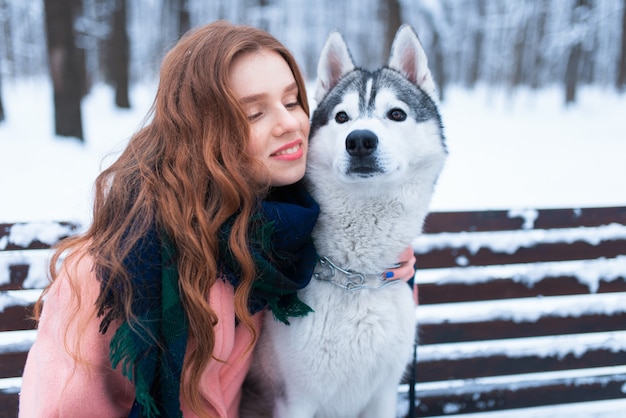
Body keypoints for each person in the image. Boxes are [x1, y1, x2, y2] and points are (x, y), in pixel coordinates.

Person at [19, 20, 416, 418]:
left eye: (293, 101)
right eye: (255, 113)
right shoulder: (112, 269)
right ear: (202, 133)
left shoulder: (281, 237)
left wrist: (381, 266)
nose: (289, 124)